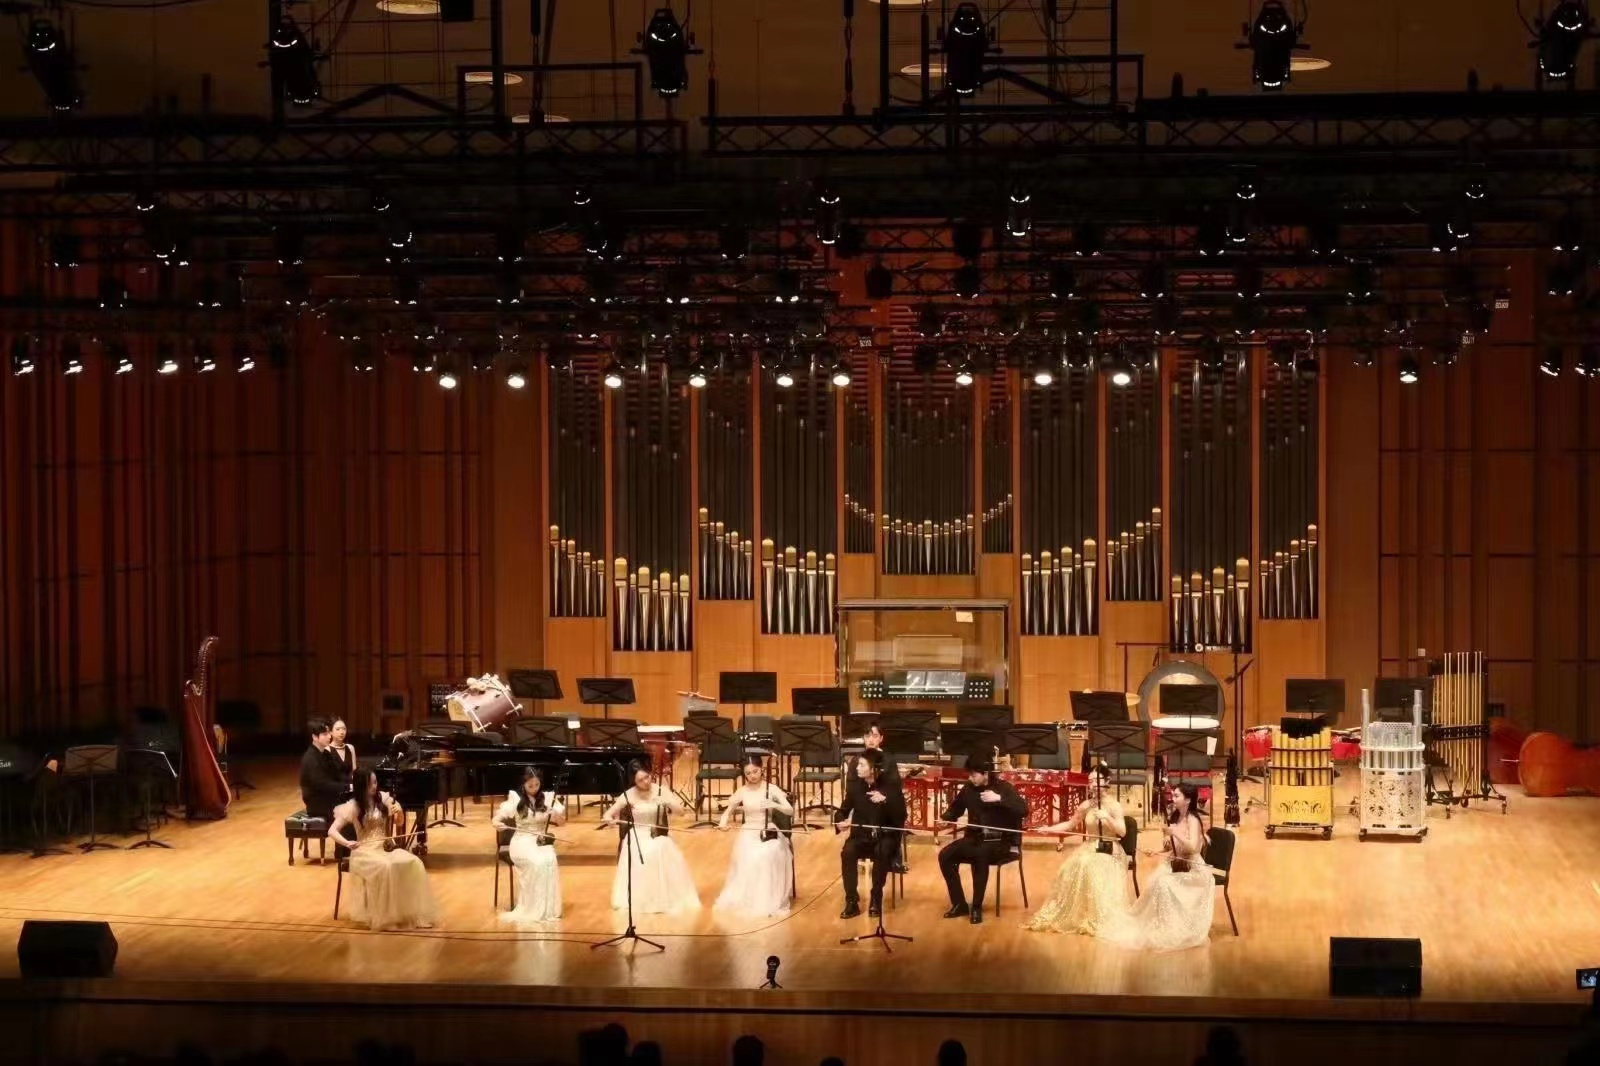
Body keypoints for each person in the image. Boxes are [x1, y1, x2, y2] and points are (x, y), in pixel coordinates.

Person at [1099, 781, 1215, 951]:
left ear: (1188, 800)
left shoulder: (1193, 820)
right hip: (1176, 863)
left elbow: (1192, 847)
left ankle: (1174, 926)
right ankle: (1162, 923)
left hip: (1192, 868)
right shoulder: (1176, 816)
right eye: (1173, 795)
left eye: (1177, 796)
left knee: (1163, 883)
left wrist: (1175, 833)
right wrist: (1157, 850)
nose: (1173, 798)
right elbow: (1173, 847)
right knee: (1155, 881)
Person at [1025, 763, 1130, 935]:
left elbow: (1122, 832)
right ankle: (1081, 914)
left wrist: (1107, 818)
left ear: (1107, 781)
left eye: (1096, 780)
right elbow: (1070, 824)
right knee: (1071, 867)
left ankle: (1098, 916)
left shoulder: (1114, 805)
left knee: (1088, 865)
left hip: (1110, 848)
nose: (1092, 785)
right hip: (1090, 846)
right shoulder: (1086, 805)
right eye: (1090, 781)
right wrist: (1048, 829)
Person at [328, 768, 437, 931]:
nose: (374, 786)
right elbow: (332, 831)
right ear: (361, 786)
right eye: (370, 783)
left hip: (384, 848)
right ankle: (386, 917)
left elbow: (399, 822)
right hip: (364, 852)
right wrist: (347, 843)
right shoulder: (353, 806)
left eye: (375, 782)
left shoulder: (383, 798)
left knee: (414, 862)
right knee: (386, 866)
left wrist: (399, 813)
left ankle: (411, 914)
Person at [936, 755, 1027, 924]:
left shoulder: (1004, 788)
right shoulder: (968, 789)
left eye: (973, 775)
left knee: (979, 854)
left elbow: (1023, 810)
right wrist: (945, 818)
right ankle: (959, 903)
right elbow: (955, 810)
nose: (970, 778)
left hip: (1000, 843)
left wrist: (999, 799)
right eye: (969, 775)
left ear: (985, 773)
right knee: (945, 856)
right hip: (974, 839)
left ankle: (977, 906)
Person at [602, 762, 700, 914]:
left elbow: (681, 812)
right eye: (640, 780)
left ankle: (663, 897)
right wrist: (609, 820)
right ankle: (642, 898)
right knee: (641, 852)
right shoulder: (629, 794)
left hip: (657, 833)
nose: (646, 782)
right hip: (638, 834)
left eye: (647, 777)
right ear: (634, 782)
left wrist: (667, 802)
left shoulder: (661, 790)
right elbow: (608, 814)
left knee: (660, 847)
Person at [714, 757, 796, 917]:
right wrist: (723, 823)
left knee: (768, 853)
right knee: (749, 855)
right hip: (749, 831)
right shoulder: (742, 791)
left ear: (762, 769)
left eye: (755, 771)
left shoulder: (771, 788)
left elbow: (790, 810)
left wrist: (775, 805)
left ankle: (769, 899)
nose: (752, 775)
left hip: (768, 830)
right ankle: (751, 898)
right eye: (748, 773)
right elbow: (727, 811)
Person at [833, 748, 906, 919]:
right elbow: (843, 810)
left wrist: (886, 801)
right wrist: (840, 821)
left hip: (885, 836)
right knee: (847, 852)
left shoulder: (891, 786)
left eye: (862, 765)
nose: (857, 768)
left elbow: (901, 816)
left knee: (882, 851)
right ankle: (851, 901)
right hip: (861, 836)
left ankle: (876, 897)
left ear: (873, 769)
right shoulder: (855, 787)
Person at [494, 766, 566, 925]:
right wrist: (498, 824)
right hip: (521, 842)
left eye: (537, 785)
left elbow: (562, 823)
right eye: (530, 785)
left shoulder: (548, 798)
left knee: (549, 860)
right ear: (523, 784)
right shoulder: (515, 799)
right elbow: (497, 819)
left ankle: (548, 909)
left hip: (539, 841)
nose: (534, 788)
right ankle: (532, 907)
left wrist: (555, 814)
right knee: (538, 863)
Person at [299, 717, 348, 825]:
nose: (329, 736)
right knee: (351, 808)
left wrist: (353, 783)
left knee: (357, 800)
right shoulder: (310, 758)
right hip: (317, 804)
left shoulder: (326, 754)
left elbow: (338, 774)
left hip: (328, 797)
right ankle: (341, 836)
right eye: (325, 734)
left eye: (329, 733)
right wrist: (346, 787)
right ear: (315, 737)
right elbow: (322, 784)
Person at [329, 718, 356, 783]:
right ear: (331, 732)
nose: (341, 732)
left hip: (350, 785)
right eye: (338, 729)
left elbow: (354, 770)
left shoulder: (350, 748)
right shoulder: (327, 750)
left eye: (344, 729)